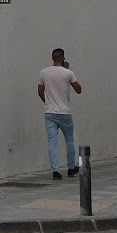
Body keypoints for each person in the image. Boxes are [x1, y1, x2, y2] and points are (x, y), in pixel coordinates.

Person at [37, 48, 82, 179]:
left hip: (49, 112)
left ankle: (55, 171)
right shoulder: (68, 73)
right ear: (63, 58)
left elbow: (40, 91)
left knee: (52, 141)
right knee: (69, 140)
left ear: (52, 58)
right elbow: (79, 90)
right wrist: (70, 72)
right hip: (65, 112)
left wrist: (48, 103)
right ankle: (70, 168)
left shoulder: (43, 72)